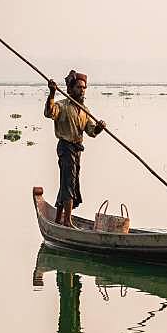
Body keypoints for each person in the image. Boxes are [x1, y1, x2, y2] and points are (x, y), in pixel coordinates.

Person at [44, 70, 106, 227]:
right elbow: (49, 113)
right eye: (79, 87)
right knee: (69, 183)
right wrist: (51, 94)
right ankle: (67, 221)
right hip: (65, 148)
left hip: (77, 150)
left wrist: (99, 128)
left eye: (84, 87)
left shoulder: (84, 110)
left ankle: (58, 218)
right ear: (70, 90)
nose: (82, 90)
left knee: (68, 182)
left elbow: (91, 131)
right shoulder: (62, 106)